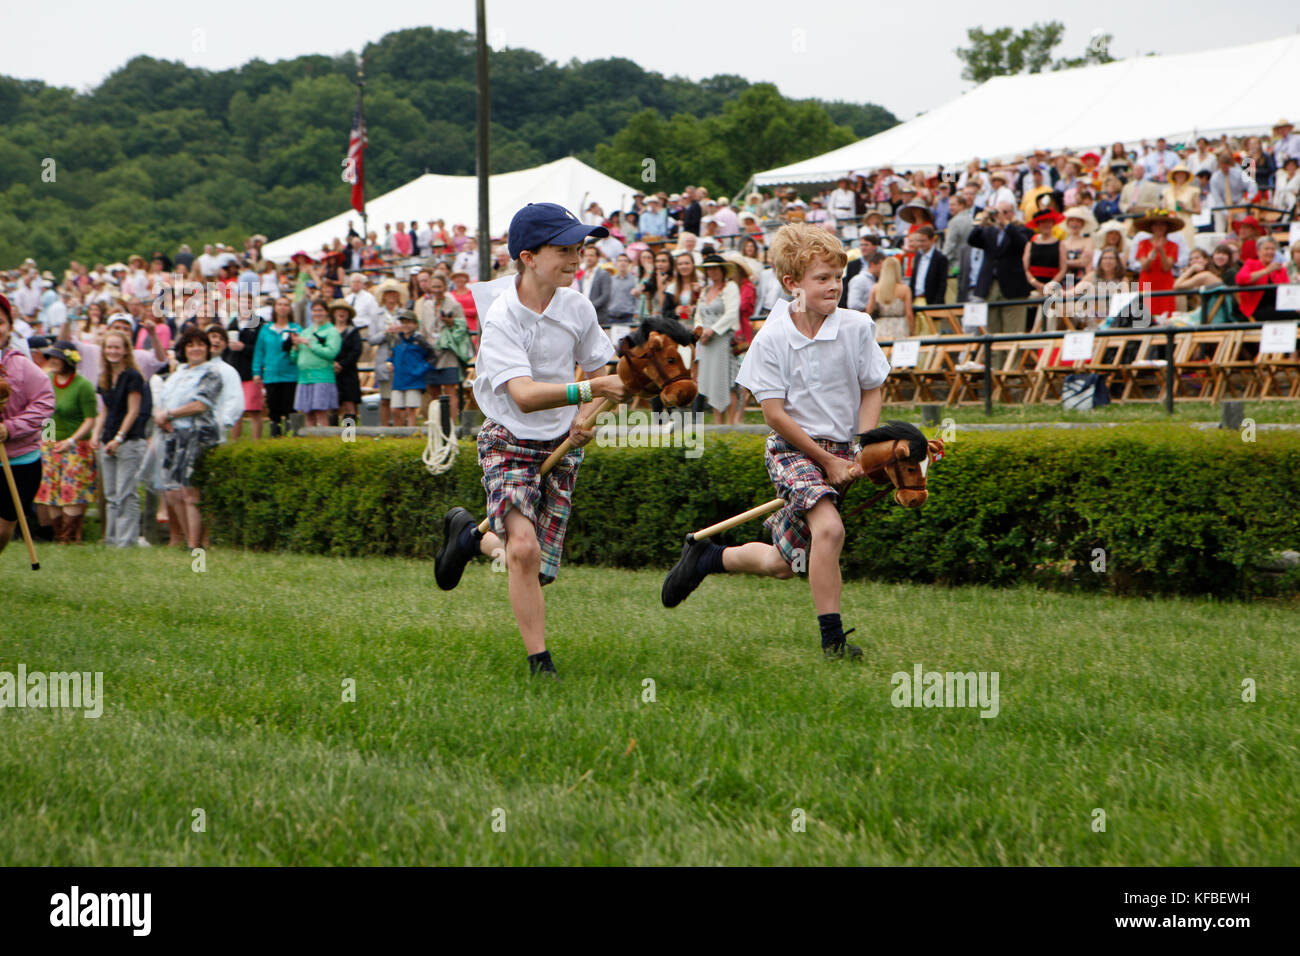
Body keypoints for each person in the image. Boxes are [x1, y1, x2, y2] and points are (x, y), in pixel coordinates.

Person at [661, 223, 889, 660]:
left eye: (838, 277)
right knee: (830, 529)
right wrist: (826, 460)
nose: (834, 286)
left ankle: (707, 558)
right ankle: (834, 642)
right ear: (792, 284)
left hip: (841, 453)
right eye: (822, 278)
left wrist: (860, 447)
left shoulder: (857, 327)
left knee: (784, 564)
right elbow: (774, 414)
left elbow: (873, 387)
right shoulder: (772, 337)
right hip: (792, 451)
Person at [433, 202, 629, 679]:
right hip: (507, 437)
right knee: (522, 549)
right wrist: (590, 391)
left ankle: (467, 539)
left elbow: (605, 376)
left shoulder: (578, 306)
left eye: (579, 248)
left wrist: (586, 418)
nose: (575, 257)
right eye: (563, 248)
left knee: (536, 567)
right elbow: (521, 396)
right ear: (527, 255)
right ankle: (540, 663)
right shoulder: (502, 318)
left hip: (559, 442)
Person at [155, 328, 222, 549]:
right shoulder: (179, 373)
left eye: (201, 344)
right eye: (191, 345)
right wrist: (162, 415)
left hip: (198, 434)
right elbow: (164, 399)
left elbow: (201, 404)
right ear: (184, 349)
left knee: (190, 491)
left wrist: (170, 414)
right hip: (174, 434)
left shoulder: (211, 373)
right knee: (173, 492)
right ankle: (187, 538)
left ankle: (196, 545)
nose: (196, 349)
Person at [0, 296, 56, 557]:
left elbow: (44, 404)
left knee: (2, 531)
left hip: (20, 461)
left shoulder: (23, 367)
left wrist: (10, 428)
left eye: (0, 322)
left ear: (9, 327)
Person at [32, 341, 98, 544]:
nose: (52, 361)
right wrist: (48, 439)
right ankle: (58, 534)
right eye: (50, 357)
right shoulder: (47, 381)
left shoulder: (83, 385)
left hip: (76, 444)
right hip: (51, 443)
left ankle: (69, 537)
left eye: (57, 358)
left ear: (68, 361)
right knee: (50, 490)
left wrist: (72, 440)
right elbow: (47, 413)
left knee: (72, 490)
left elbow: (90, 419)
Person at [92, 328, 151, 547]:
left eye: (117, 347)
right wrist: (97, 435)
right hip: (108, 439)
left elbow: (133, 410)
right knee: (110, 494)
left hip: (129, 441)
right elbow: (105, 410)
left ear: (126, 350)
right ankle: (111, 539)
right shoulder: (105, 376)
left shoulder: (133, 376)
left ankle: (127, 541)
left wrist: (119, 437)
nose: (113, 351)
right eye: (109, 347)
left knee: (126, 493)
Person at [967, 202, 1034, 337]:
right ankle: (995, 359)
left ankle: (1012, 358)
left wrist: (1007, 224)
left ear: (1012, 213)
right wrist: (982, 220)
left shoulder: (1021, 230)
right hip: (990, 286)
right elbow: (972, 240)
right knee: (992, 333)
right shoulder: (989, 231)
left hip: (1013, 288)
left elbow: (1022, 244)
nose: (1000, 216)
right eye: (998, 212)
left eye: (1005, 212)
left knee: (1013, 333)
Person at [694, 253, 742, 424]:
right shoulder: (705, 290)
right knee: (712, 382)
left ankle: (730, 426)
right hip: (706, 342)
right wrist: (700, 332)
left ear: (722, 270)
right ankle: (717, 425)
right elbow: (698, 315)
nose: (712, 272)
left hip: (723, 340)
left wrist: (712, 331)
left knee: (726, 383)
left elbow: (731, 313)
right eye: (709, 269)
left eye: (715, 268)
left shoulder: (730, 288)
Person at [421, 276, 474, 422]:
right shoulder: (426, 306)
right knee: (434, 391)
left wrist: (451, 323)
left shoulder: (454, 305)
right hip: (431, 353)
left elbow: (462, 328)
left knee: (450, 390)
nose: (437, 290)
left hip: (448, 352)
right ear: (430, 288)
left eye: (439, 286)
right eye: (434, 287)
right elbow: (423, 329)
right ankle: (437, 423)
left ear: (445, 287)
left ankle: (450, 424)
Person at [252, 296, 302, 438]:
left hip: (291, 374)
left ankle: (292, 437)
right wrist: (256, 371)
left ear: (290, 308)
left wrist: (296, 346)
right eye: (279, 304)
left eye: (286, 304)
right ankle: (275, 438)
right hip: (271, 375)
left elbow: (299, 352)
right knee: (273, 410)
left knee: (290, 409)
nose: (282, 307)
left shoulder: (295, 329)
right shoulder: (266, 329)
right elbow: (259, 352)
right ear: (275, 307)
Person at [291, 299, 342, 429]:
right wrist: (295, 348)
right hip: (304, 378)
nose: (317, 313)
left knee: (321, 413)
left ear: (326, 312)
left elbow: (331, 353)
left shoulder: (332, 332)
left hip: (322, 377)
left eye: (320, 310)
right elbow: (294, 357)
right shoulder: (306, 331)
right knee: (308, 414)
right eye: (314, 310)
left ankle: (324, 443)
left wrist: (310, 344)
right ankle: (311, 443)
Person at [224, 301, 263, 440]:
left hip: (251, 372)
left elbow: (260, 349)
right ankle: (235, 442)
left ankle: (256, 443)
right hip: (235, 370)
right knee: (236, 411)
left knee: (254, 410)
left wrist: (244, 347)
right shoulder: (233, 323)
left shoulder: (258, 323)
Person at [1133, 210, 1182, 320]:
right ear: (1151, 227)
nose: (1158, 227)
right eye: (1155, 224)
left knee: (1166, 314)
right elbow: (1145, 266)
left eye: (1162, 224)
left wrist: (1162, 251)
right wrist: (1152, 254)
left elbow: (1166, 267)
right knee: (1145, 314)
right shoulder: (1143, 244)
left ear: (1166, 227)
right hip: (1147, 281)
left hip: (1164, 282)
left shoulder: (1173, 245)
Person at [369, 278, 404, 426]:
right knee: (384, 398)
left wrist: (400, 331)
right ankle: (384, 429)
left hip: (400, 358)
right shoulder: (376, 315)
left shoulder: (404, 313)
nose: (391, 297)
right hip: (384, 359)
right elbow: (371, 339)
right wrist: (386, 332)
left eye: (394, 294)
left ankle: (400, 430)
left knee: (399, 398)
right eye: (388, 294)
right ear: (383, 296)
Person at [204, 324, 246, 438]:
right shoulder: (190, 367)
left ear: (225, 345)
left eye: (221, 339)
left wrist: (222, 422)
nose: (217, 340)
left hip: (214, 432)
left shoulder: (228, 371)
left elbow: (235, 399)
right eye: (213, 336)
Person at [1236, 237, 1288, 322]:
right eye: (1266, 249)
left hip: (1278, 306)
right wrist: (1266, 271)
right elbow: (1240, 279)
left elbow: (1287, 288)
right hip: (1256, 307)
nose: (1270, 252)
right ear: (1258, 251)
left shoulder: (1279, 269)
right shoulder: (1251, 264)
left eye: (1273, 249)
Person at [329, 301, 363, 425]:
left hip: (349, 372)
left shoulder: (353, 331)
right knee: (331, 404)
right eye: (339, 310)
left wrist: (342, 364)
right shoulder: (327, 330)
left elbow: (356, 351)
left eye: (345, 310)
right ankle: (331, 436)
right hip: (330, 372)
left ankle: (348, 437)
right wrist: (331, 364)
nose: (341, 312)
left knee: (349, 404)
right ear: (333, 313)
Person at [865, 255, 913, 341]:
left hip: (880, 326)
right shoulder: (905, 289)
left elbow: (869, 310)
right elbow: (909, 313)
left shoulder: (875, 288)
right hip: (900, 326)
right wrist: (912, 331)